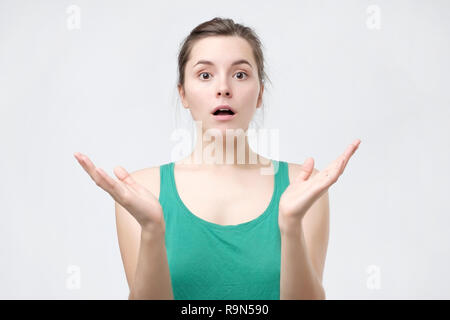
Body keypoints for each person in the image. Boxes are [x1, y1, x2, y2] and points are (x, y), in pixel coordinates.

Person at [74, 17, 360, 300]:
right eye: (205, 75)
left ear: (259, 93)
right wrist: (151, 229)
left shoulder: (303, 186)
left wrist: (291, 225)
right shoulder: (141, 190)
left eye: (240, 74)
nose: (223, 88)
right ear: (183, 94)